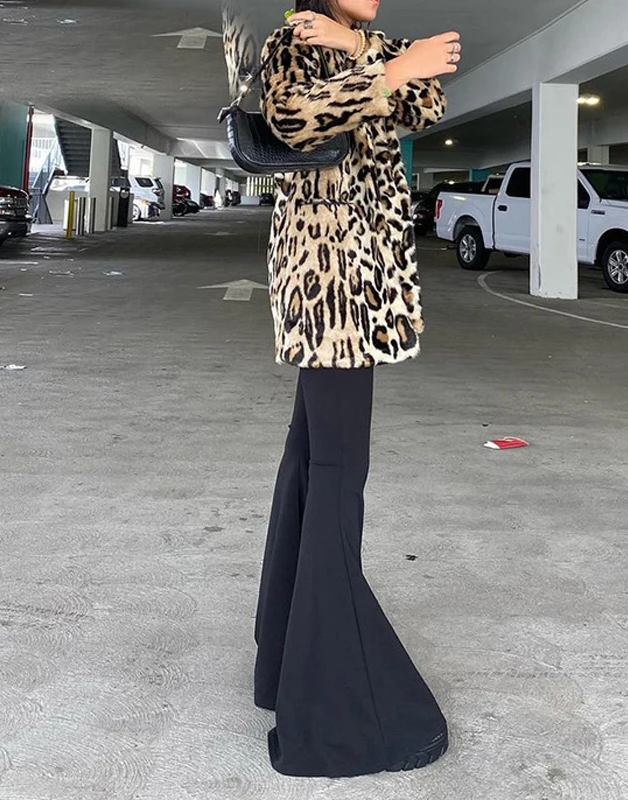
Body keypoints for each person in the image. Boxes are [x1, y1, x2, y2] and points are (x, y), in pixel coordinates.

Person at [252, 0, 461, 779]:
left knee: (313, 469)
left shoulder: (358, 40)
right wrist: (387, 66)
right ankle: (332, 716)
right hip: (328, 286)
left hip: (362, 289)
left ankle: (284, 666)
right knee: (337, 480)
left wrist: (367, 49)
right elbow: (294, 122)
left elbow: (426, 99)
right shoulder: (293, 38)